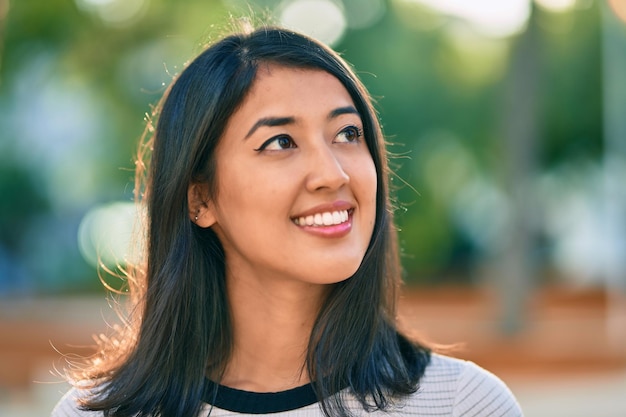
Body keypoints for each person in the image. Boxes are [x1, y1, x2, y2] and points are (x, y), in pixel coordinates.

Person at [52, 25, 523, 417]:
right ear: (199, 200)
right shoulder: (97, 413)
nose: (332, 174)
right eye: (281, 142)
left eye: (347, 133)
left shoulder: (461, 404)